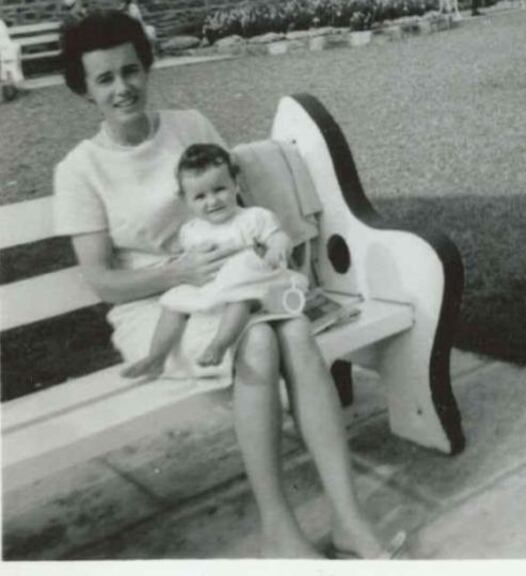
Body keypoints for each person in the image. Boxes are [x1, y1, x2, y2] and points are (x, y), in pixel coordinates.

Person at [54, 10, 404, 559]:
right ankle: (278, 531)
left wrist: (259, 260)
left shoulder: (190, 125)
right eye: (104, 78)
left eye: (130, 70)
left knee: (292, 333)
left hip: (238, 288)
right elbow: (101, 280)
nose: (123, 87)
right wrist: (178, 272)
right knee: (263, 339)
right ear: (84, 89)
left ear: (145, 68)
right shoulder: (80, 169)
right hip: (159, 309)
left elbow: (238, 205)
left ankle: (349, 519)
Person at [121, 144, 309, 379]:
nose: (212, 201)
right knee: (173, 302)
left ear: (235, 185)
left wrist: (277, 248)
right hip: (212, 286)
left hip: (249, 286)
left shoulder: (253, 217)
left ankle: (219, 345)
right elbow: (189, 260)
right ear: (186, 201)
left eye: (219, 189)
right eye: (200, 196)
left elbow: (278, 236)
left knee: (239, 297)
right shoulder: (191, 230)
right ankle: (156, 356)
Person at [0, 18, 24, 101]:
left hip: (5, 47)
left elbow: (4, 37)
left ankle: (10, 87)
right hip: (5, 48)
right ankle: (9, 87)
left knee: (8, 66)